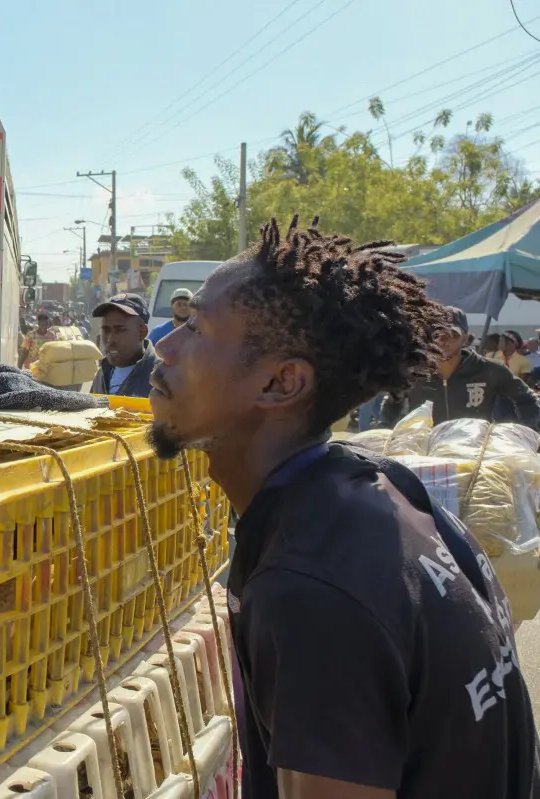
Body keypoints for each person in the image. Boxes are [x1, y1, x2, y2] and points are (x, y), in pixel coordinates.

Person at [147, 216, 539, 799]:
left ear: (281, 384)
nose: (164, 344)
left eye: (196, 329)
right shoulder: (392, 489)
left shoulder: (309, 588)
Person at [379, 307, 540, 430]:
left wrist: (527, 435)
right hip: (424, 455)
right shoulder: (413, 372)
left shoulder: (489, 370)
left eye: (452, 335)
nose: (443, 341)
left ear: (466, 338)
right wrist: (384, 431)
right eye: (437, 334)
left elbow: (526, 399)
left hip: (473, 455)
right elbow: (393, 403)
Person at [89, 293, 159, 397]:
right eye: (106, 330)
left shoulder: (162, 376)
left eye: (120, 330)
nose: (110, 340)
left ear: (142, 332)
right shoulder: (101, 375)